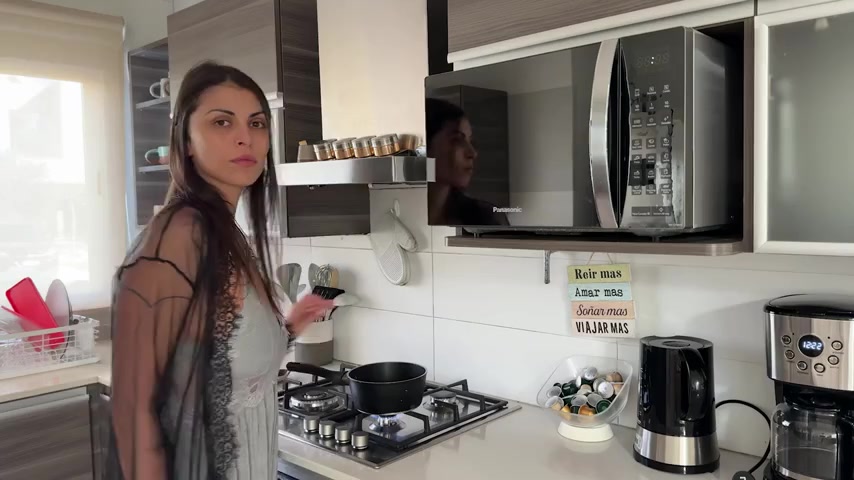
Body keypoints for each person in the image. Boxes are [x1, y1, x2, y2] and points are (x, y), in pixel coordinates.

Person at [105, 61, 333, 480]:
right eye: (222, 122)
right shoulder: (178, 238)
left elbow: (222, 358)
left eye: (257, 123)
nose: (245, 137)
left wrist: (289, 326)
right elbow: (135, 413)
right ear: (186, 141)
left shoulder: (224, 234)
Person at [425, 97, 509, 226]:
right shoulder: (399, 212)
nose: (472, 153)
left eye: (469, 141)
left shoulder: (486, 217)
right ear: (425, 146)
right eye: (457, 140)